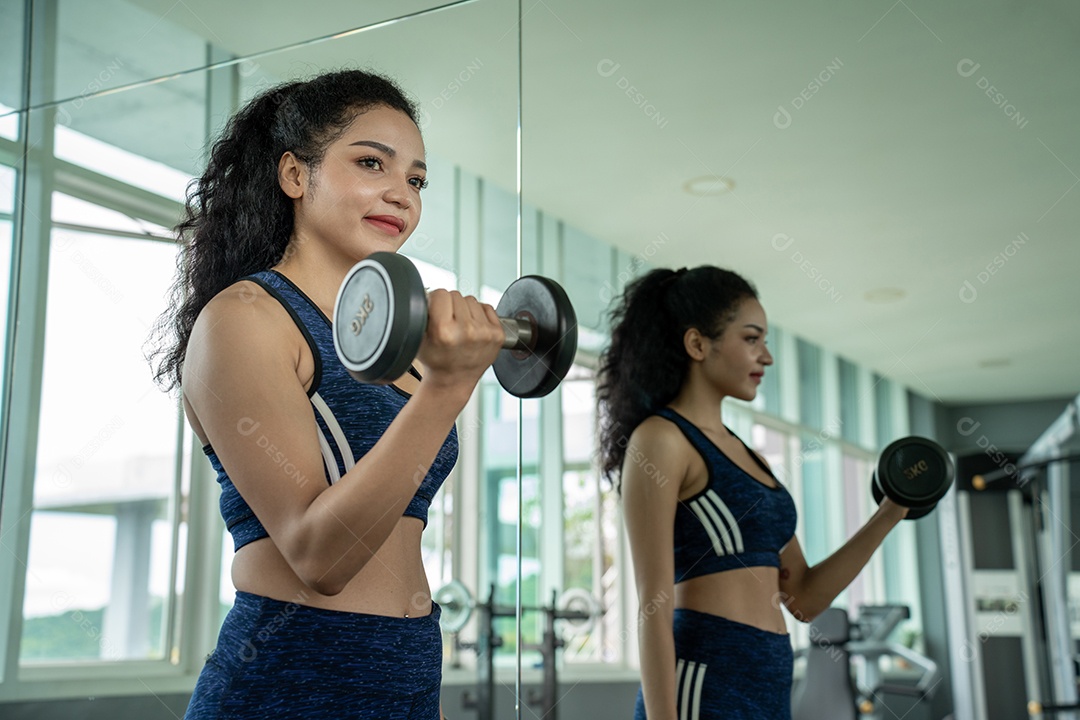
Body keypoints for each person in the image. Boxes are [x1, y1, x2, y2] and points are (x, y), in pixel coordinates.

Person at [150, 69, 505, 719]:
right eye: (372, 163)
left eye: (417, 180)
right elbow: (321, 556)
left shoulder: (392, 349)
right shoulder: (246, 318)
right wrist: (449, 388)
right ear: (294, 175)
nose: (401, 194)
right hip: (290, 684)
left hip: (408, 676)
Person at [596, 266, 910, 720]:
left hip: (768, 678)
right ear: (698, 344)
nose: (767, 357)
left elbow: (803, 598)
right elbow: (653, 606)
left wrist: (891, 512)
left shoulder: (752, 459)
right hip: (703, 676)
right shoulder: (661, 440)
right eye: (751, 339)